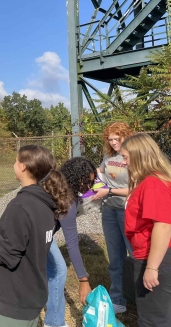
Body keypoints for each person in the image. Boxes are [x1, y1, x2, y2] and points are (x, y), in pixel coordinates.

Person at [0, 145, 71, 327]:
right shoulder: (46, 204)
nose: (13, 165)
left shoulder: (20, 207)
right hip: (34, 291)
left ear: (23, 166)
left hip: (17, 296)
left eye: (15, 161)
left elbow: (8, 254)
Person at [121, 134, 171, 326]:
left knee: (153, 319)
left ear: (139, 156)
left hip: (153, 257)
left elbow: (163, 225)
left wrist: (152, 267)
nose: (124, 163)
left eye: (126, 157)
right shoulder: (155, 181)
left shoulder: (152, 183)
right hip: (156, 257)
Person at [45, 157, 97, 327]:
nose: (88, 187)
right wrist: (83, 279)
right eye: (86, 182)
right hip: (38, 235)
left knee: (48, 271)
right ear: (76, 178)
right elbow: (72, 242)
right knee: (59, 270)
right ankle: (54, 323)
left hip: (35, 232)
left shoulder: (56, 183)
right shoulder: (66, 199)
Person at [92, 121, 134, 314]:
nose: (114, 143)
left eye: (118, 139)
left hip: (128, 211)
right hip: (109, 209)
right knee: (115, 256)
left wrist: (109, 190)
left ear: (126, 136)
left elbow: (135, 189)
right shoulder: (108, 155)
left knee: (135, 256)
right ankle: (118, 299)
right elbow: (101, 172)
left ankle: (140, 297)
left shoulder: (133, 156)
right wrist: (92, 176)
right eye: (111, 139)